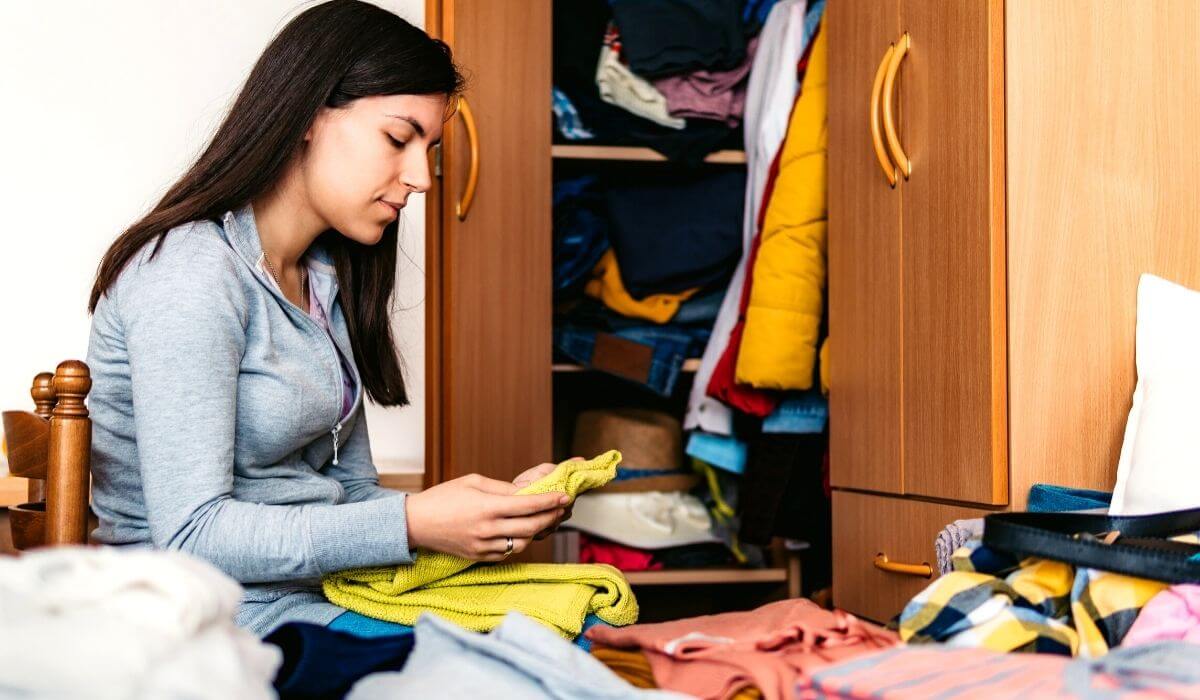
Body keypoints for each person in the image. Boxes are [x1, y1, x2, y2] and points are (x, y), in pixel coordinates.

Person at [85, 0, 569, 636]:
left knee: (556, 632)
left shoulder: (322, 280)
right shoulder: (190, 274)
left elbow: (354, 496)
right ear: (308, 117)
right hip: (205, 621)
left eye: (430, 148)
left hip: (317, 600)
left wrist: (491, 513)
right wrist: (414, 521)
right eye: (398, 139)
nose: (422, 177)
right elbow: (193, 534)